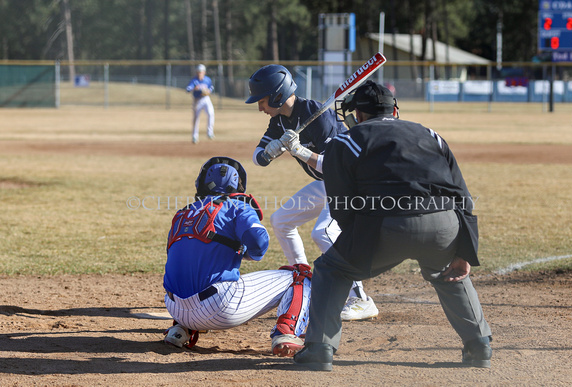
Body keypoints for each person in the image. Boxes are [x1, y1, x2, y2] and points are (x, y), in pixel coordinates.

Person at [294, 80, 492, 371]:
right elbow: (463, 197)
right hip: (444, 224)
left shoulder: (345, 141)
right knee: (447, 271)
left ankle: (319, 349)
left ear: (357, 115)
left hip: (383, 225)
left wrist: (357, 246)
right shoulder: (430, 134)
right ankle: (479, 346)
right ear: (395, 110)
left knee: (332, 269)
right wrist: (464, 251)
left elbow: (342, 207)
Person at [245, 64, 379, 321]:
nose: (260, 107)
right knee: (281, 220)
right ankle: (304, 282)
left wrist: (300, 151)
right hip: (327, 185)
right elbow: (256, 158)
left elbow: (334, 166)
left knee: (323, 232)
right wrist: (269, 151)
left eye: (261, 100)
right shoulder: (280, 120)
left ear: (276, 95)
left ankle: (361, 299)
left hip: (349, 183)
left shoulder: (319, 115)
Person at [162, 156, 312, 357]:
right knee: (299, 275)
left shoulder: (182, 213)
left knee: (196, 269)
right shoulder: (237, 206)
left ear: (201, 183)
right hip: (220, 310)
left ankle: (180, 330)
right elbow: (259, 244)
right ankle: (286, 333)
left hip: (175, 308)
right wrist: (243, 250)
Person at [186, 64, 215, 143]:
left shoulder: (207, 80)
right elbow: (188, 89)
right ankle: (195, 136)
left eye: (201, 72)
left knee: (211, 113)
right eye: (198, 72)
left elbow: (211, 87)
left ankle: (210, 133)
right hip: (197, 100)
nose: (199, 73)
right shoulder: (194, 80)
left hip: (206, 99)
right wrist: (194, 88)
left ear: (204, 72)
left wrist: (209, 91)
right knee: (196, 118)